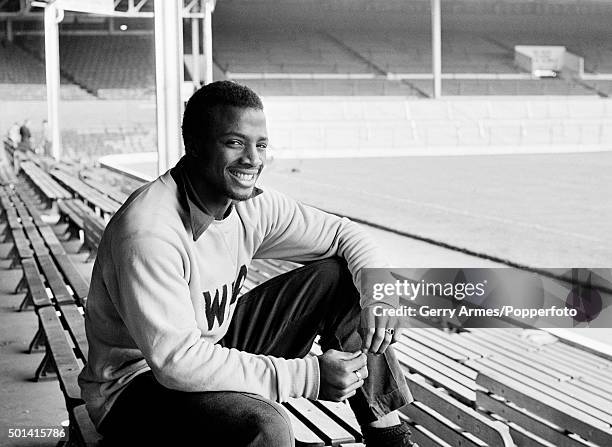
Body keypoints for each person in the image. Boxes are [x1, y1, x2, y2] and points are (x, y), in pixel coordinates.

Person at [78, 81, 414, 446]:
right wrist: (310, 375)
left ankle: (390, 439)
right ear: (193, 145)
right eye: (235, 142)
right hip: (136, 389)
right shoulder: (149, 232)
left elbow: (344, 233)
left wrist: (380, 295)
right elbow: (177, 363)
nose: (253, 159)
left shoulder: (250, 205)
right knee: (267, 427)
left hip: (211, 345)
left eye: (261, 145)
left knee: (345, 278)